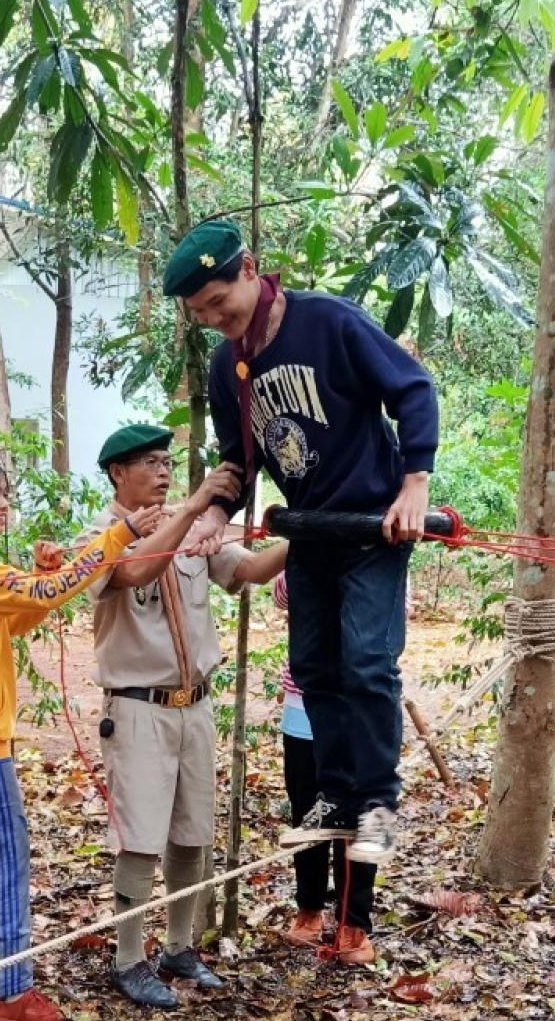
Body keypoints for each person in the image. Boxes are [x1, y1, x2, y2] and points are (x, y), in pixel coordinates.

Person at [0, 443, 221, 1021]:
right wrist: (119, 536)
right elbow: (47, 597)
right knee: (2, 864)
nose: (5, 504)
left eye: (6, 493)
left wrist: (48, 572)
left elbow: (19, 615)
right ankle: (11, 994)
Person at [163, 218, 439, 868]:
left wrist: (415, 482)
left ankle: (379, 812)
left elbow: (412, 388)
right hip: (310, 532)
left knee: (367, 664)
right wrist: (217, 511)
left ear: (250, 270)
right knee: (313, 669)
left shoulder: (329, 322)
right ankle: (337, 797)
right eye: (199, 313)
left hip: (372, 526)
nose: (213, 319)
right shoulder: (226, 366)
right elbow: (239, 458)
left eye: (218, 302)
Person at [87, 425, 283, 1008]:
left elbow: (250, 570)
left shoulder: (195, 526)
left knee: (192, 834)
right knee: (140, 840)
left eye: (167, 462)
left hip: (195, 706)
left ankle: (179, 947)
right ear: (118, 473)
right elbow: (134, 572)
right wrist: (198, 504)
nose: (164, 472)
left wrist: (310, 531)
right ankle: (128, 959)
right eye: (150, 462)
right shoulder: (99, 537)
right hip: (137, 708)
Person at [272, 569, 379, 964]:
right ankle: (309, 909)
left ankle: (354, 923)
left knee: (362, 816)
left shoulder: (381, 557)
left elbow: (391, 609)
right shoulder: (307, 554)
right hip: (304, 704)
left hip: (363, 707)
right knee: (307, 810)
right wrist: (311, 546)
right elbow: (283, 594)